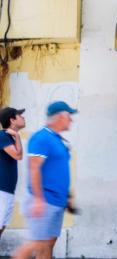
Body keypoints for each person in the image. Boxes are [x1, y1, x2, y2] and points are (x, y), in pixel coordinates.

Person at [14, 101, 77, 259]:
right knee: (36, 244)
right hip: (44, 201)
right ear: (60, 117)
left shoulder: (56, 139)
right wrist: (38, 200)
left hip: (56, 201)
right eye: (69, 116)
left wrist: (67, 197)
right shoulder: (41, 138)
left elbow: (58, 171)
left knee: (47, 244)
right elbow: (34, 168)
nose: (71, 120)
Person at [0, 107, 26, 239]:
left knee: (2, 226)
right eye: (20, 115)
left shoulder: (9, 137)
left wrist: (16, 136)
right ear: (12, 120)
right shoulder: (3, 136)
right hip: (2, 190)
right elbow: (18, 155)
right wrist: (16, 136)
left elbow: (18, 155)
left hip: (8, 190)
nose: (23, 118)